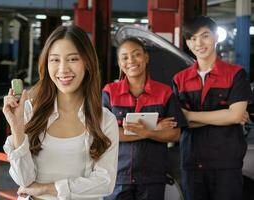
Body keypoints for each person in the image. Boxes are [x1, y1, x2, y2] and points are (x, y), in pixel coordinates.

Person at [2, 25, 119, 200]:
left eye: (72, 59)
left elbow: (105, 182)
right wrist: (17, 129)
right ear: (46, 64)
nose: (63, 69)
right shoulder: (29, 112)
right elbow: (23, 180)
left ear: (87, 62)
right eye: (55, 60)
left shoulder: (104, 120)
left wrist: (48, 189)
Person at [172, 16, 252, 200]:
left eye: (205, 36)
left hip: (226, 164)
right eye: (192, 38)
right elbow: (178, 121)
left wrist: (190, 115)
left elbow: (235, 116)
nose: (198, 43)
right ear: (187, 43)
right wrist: (226, 116)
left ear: (216, 37)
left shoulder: (235, 74)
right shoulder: (179, 79)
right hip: (192, 163)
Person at [102, 37, 187, 200]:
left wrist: (138, 132)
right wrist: (152, 130)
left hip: (152, 177)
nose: (131, 61)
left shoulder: (165, 93)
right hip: (117, 177)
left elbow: (175, 134)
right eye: (125, 57)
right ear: (120, 63)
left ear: (146, 57)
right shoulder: (109, 93)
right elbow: (104, 133)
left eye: (136, 54)